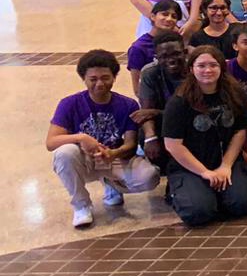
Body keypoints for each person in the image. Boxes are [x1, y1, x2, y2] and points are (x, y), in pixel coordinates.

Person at [47, 50, 161, 228]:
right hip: (83, 159)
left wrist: (114, 153)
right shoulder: (69, 104)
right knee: (64, 153)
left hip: (112, 160)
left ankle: (111, 184)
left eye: (105, 78)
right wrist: (81, 137)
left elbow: (130, 144)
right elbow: (51, 142)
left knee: (149, 176)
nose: (99, 84)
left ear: (114, 77)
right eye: (93, 79)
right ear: (84, 79)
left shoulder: (128, 105)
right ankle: (81, 205)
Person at [162, 47, 247, 227]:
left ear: (222, 68)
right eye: (201, 65)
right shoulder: (179, 102)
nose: (208, 70)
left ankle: (216, 193)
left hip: (225, 161)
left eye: (213, 65)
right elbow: (173, 145)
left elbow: (240, 131)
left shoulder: (235, 94)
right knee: (199, 212)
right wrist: (204, 172)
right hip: (191, 166)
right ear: (191, 69)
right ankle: (182, 190)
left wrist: (226, 166)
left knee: (242, 204)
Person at [135, 32, 187, 172]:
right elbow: (145, 113)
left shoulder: (197, 69)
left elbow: (196, 113)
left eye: (176, 54)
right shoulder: (150, 73)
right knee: (144, 132)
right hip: (165, 125)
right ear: (156, 58)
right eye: (164, 56)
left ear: (185, 52)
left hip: (193, 125)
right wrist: (150, 137)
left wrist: (157, 112)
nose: (171, 60)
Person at [128, 0, 182, 85]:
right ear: (153, 16)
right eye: (165, 14)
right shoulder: (138, 47)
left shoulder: (178, 43)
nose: (169, 19)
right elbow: (137, 87)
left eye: (174, 16)